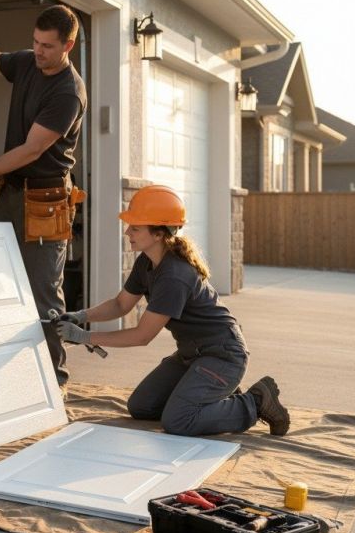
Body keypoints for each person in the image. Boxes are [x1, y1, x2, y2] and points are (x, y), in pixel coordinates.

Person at [55, 184, 290, 437]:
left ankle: (255, 401)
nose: (127, 232)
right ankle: (211, 394)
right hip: (193, 355)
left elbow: (142, 336)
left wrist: (84, 337)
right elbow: (121, 304)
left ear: (158, 234)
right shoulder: (147, 261)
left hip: (223, 355)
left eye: (135, 227)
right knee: (141, 406)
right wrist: (81, 316)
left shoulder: (174, 275)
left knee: (179, 421)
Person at [0, 5, 87, 390]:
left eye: (47, 46)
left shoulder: (67, 92)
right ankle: (4, 379)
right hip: (10, 192)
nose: (37, 51)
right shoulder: (27, 63)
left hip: (45, 201)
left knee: (43, 295)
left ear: (68, 45)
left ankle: (54, 384)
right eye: (35, 42)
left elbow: (31, 150)